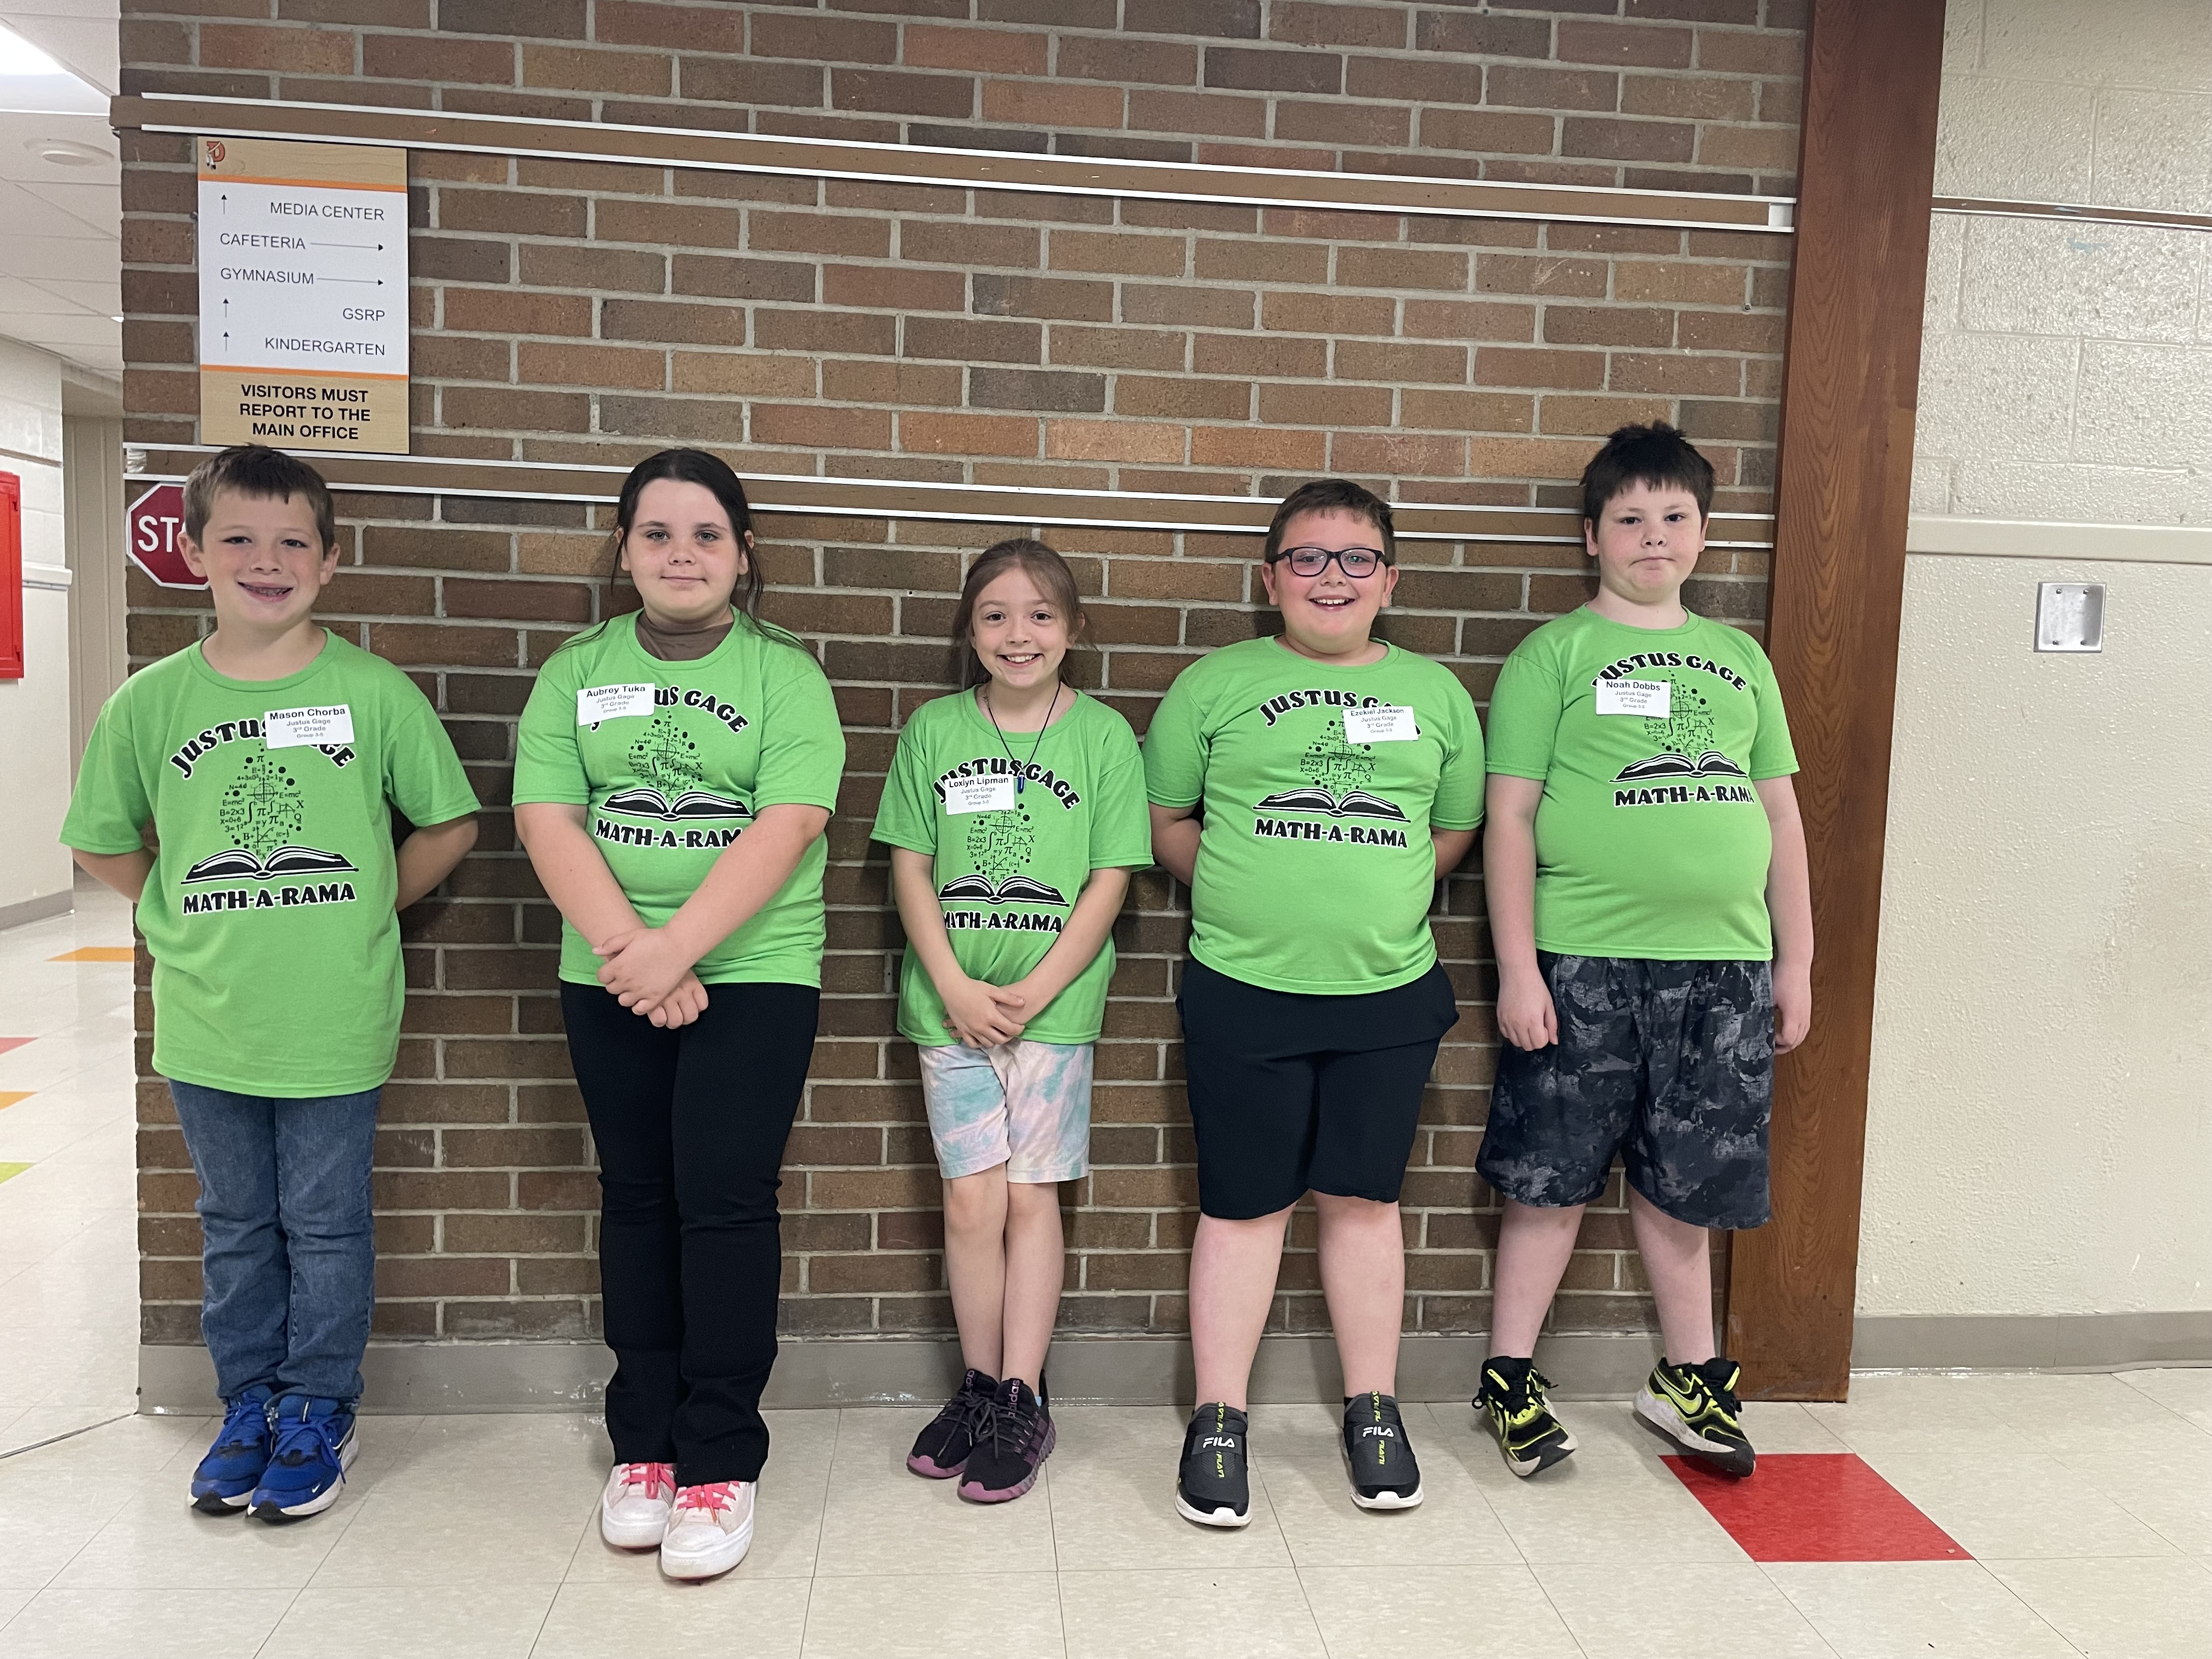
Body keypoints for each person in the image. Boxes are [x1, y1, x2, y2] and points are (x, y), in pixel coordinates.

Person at [61, 445, 479, 1522]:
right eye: (239, 538)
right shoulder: (150, 703)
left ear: (330, 561)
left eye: (294, 541)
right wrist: (171, 907)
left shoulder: (372, 693)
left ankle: (318, 1409)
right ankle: (246, 1403)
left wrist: (371, 905)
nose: (267, 560)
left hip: (334, 1015)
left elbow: (450, 822)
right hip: (209, 1018)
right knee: (236, 1223)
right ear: (192, 551)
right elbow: (102, 838)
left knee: (327, 1224)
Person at [512, 448, 844, 1579]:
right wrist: (634, 954)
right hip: (611, 972)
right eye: (657, 533)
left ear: (743, 554)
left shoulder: (785, 674)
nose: (682, 555)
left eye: (707, 534)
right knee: (639, 1199)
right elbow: (547, 816)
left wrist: (676, 950)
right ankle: (644, 1445)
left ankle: (719, 1457)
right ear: (625, 550)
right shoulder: (576, 669)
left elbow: (790, 821)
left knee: (726, 1205)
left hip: (755, 975)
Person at [1474, 422, 1813, 1480]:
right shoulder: (1555, 655)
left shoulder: (1741, 659)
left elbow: (1782, 816)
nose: (1653, 535)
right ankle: (1510, 1377)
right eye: (1629, 518)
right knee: (1550, 1181)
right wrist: (1519, 969)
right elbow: (1509, 817)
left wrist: (1796, 962)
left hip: (1724, 969)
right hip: (1582, 964)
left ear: (1704, 535)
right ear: (1593, 535)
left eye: (1674, 516)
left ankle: (1688, 1376)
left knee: (1687, 1186)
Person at [1144, 479, 1485, 1525]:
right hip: (1244, 987)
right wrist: (1248, 896)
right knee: (1242, 1209)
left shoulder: (1435, 695)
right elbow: (1168, 822)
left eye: (1355, 558)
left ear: (1390, 578)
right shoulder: (1213, 685)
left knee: (1364, 1204)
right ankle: (1219, 1418)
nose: (1331, 577)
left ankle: (1373, 1410)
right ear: (1270, 578)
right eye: (1307, 557)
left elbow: (1452, 833)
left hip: (1385, 992)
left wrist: (1372, 899)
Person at [871, 538, 1150, 1503]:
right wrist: (951, 981)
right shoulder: (934, 730)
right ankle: (981, 1385)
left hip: (1054, 1016)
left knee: (1032, 1200)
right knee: (970, 1203)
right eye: (995, 615)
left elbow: (1111, 876)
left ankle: (1025, 1395)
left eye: (1040, 615)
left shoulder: (1103, 737)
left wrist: (1038, 989)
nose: (1017, 633)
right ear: (970, 631)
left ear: (1074, 629)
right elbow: (909, 864)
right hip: (949, 1011)